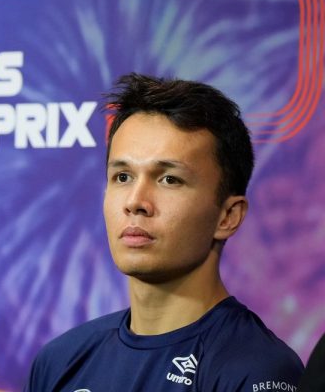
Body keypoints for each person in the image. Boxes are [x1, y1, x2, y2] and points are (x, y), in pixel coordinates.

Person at [25, 73, 303, 391]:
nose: (135, 202)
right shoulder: (59, 361)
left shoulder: (257, 371)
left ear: (227, 216)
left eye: (169, 179)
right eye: (123, 176)